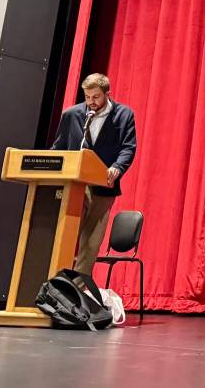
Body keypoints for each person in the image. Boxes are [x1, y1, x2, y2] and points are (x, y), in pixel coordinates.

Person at [51, 73, 137, 278]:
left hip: (104, 185)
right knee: (63, 236)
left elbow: (128, 147)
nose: (91, 102)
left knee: (91, 242)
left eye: (96, 97)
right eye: (87, 97)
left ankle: (77, 290)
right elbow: (59, 148)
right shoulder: (72, 114)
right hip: (74, 183)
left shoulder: (123, 115)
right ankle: (54, 284)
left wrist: (117, 167)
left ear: (108, 93)